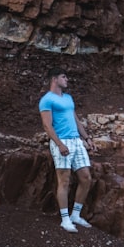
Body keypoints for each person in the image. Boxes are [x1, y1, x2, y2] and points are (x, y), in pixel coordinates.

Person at [39, 68, 94, 233]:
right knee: (64, 180)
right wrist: (59, 144)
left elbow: (76, 120)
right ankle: (65, 219)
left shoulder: (68, 98)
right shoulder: (46, 100)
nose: (67, 80)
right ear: (54, 79)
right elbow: (47, 125)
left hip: (76, 141)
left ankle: (75, 215)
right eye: (64, 77)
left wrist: (87, 138)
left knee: (86, 177)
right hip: (61, 141)